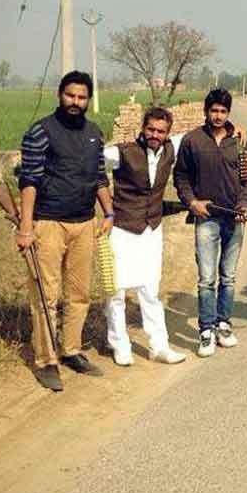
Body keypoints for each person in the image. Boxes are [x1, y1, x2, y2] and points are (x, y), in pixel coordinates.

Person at [16, 70, 113, 391]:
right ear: (60, 95)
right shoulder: (41, 131)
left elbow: (100, 177)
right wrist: (26, 228)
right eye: (70, 95)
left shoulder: (94, 133)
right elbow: (29, 180)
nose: (75, 101)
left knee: (79, 293)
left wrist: (109, 212)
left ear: (88, 100)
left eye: (82, 97)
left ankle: (71, 350)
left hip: (84, 223)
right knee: (46, 295)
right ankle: (46, 360)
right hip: (48, 223)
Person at [174, 89, 247, 357]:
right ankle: (206, 330)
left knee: (228, 277)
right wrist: (192, 202)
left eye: (223, 111)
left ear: (228, 113)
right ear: (206, 111)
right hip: (206, 218)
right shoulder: (192, 140)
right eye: (214, 111)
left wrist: (244, 203)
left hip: (234, 217)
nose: (218, 116)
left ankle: (223, 324)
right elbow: (181, 177)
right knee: (206, 279)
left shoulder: (240, 141)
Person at [103, 107, 188, 366]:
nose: (155, 135)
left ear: (167, 133)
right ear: (143, 128)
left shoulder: (171, 148)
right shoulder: (120, 152)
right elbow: (89, 164)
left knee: (150, 289)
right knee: (116, 290)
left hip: (152, 229)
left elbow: (199, 134)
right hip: (122, 228)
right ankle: (120, 344)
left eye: (161, 131)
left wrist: (232, 128)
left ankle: (159, 346)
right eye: (150, 129)